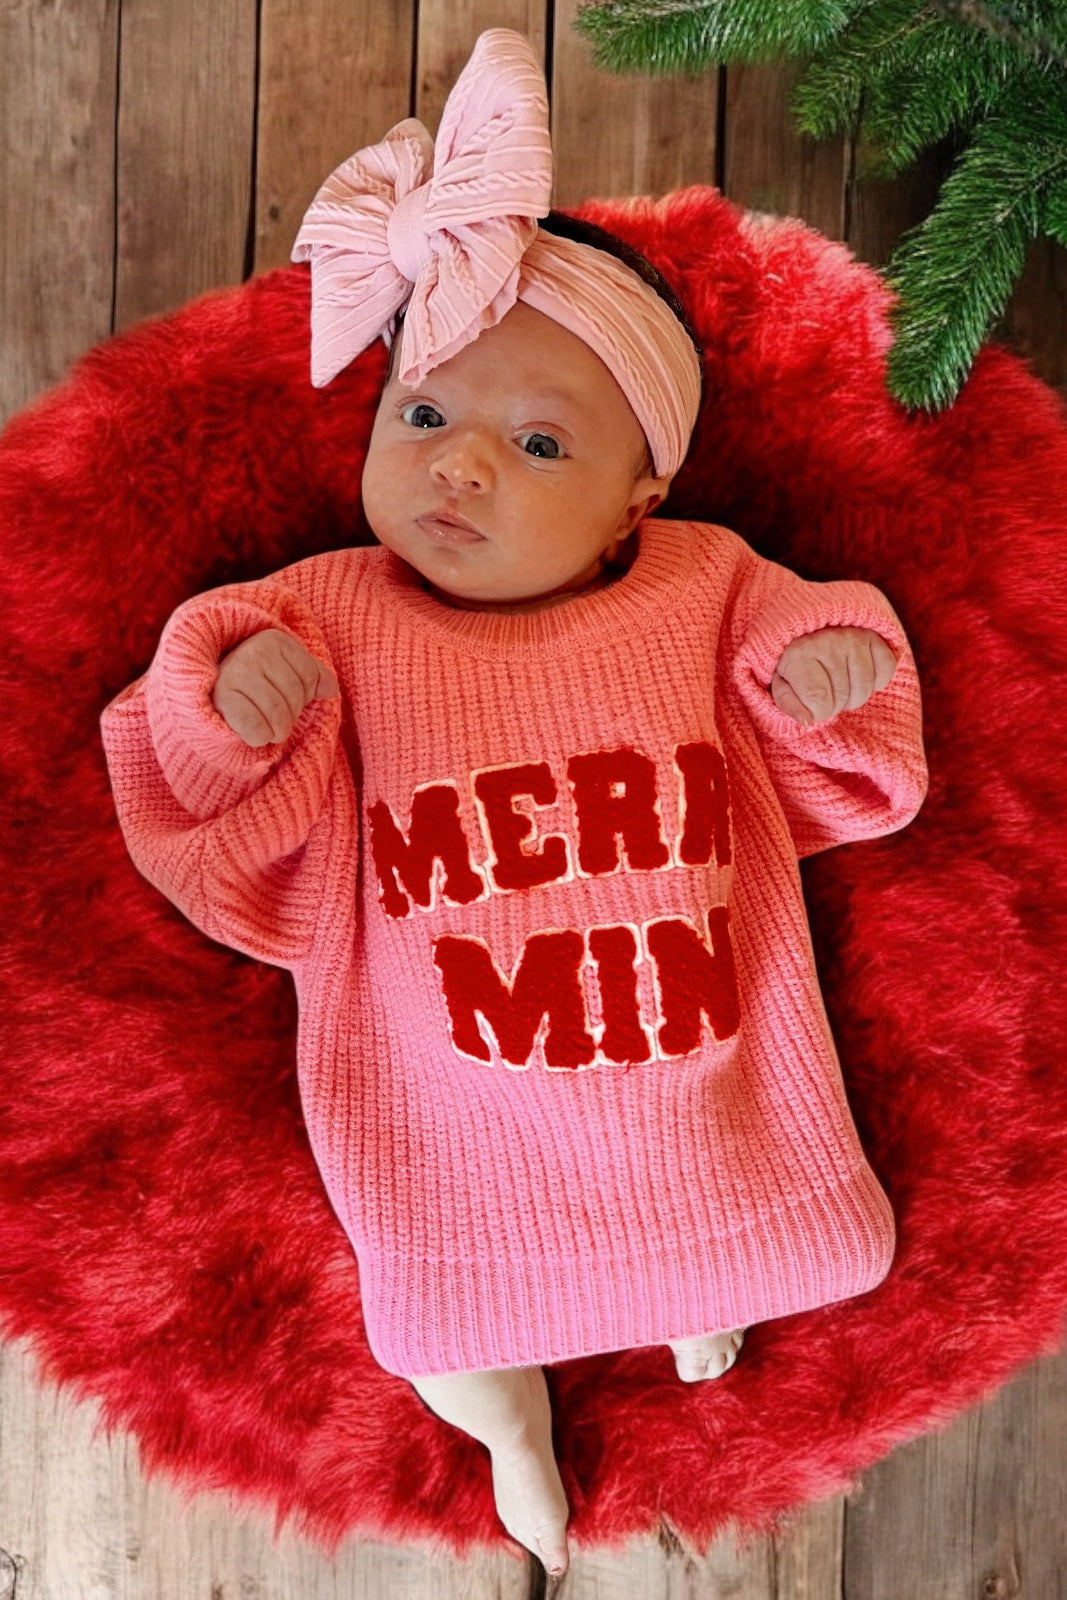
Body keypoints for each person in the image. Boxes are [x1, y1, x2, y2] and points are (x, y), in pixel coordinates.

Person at [100, 29, 927, 1582]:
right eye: (422, 419)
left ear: (642, 494)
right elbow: (199, 783)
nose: (459, 468)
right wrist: (230, 706)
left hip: (693, 1061)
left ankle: (698, 1293)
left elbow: (841, 700)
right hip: (444, 1105)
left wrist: (825, 672)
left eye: (537, 444)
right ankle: (510, 1431)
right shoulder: (332, 611)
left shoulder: (700, 585)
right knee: (442, 1322)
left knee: (728, 1215)